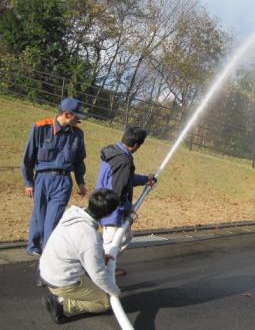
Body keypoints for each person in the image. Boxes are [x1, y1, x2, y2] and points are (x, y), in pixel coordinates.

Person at [39, 189, 121, 324]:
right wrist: (115, 291)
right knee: (104, 302)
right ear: (108, 214)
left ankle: (62, 295)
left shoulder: (72, 214)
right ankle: (61, 303)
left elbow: (79, 247)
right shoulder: (89, 238)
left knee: (100, 284)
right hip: (61, 280)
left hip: (47, 269)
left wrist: (100, 256)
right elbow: (98, 274)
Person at [21, 97, 88, 257]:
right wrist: (28, 182)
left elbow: (79, 161)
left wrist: (81, 182)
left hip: (63, 180)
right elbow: (27, 158)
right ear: (67, 114)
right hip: (41, 179)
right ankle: (33, 246)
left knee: (53, 218)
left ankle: (48, 253)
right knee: (39, 214)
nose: (79, 120)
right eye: (76, 116)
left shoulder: (78, 134)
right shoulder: (40, 128)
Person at [96, 126, 156, 275]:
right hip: (113, 209)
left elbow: (126, 179)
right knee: (111, 242)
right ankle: (100, 271)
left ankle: (107, 265)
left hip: (105, 202)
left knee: (125, 236)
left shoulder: (114, 152)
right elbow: (119, 189)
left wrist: (145, 180)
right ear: (136, 145)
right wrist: (128, 207)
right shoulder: (124, 161)